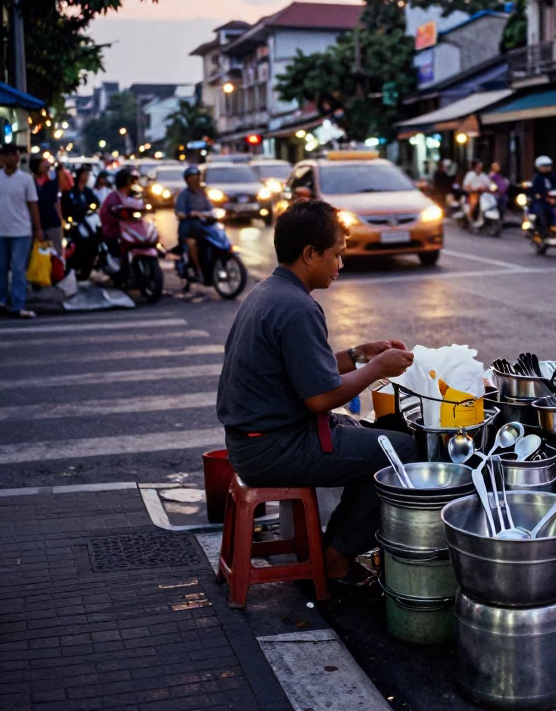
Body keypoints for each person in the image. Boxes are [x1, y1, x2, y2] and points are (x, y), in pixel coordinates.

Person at [217, 200, 416, 587]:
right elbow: (321, 398)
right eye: (337, 255)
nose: (340, 266)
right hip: (273, 448)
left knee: (380, 439)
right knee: (402, 453)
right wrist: (377, 369)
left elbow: (307, 371)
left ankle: (333, 547)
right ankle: (336, 557)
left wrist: (359, 355)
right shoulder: (297, 308)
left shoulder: (268, 291)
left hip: (252, 441)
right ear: (310, 253)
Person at [0, 142, 42, 318]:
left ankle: (18, 304)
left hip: (22, 231)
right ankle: (0, 302)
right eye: (7, 155)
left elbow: (33, 204)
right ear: (2, 158)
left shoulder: (26, 179)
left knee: (19, 268)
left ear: (17, 157)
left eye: (14, 155)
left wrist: (38, 228)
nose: (11, 158)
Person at [174, 167, 213, 283]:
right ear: (187, 181)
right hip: (188, 229)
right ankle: (197, 271)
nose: (197, 181)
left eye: (198, 178)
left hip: (203, 227)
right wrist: (189, 214)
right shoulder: (183, 195)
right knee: (192, 244)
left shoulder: (202, 193)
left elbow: (210, 208)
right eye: (194, 179)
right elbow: (179, 213)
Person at [99, 168, 138, 283]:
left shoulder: (134, 195)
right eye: (130, 180)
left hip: (133, 230)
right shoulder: (113, 197)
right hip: (116, 231)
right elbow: (105, 214)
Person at [63, 166, 101, 280]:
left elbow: (95, 203)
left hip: (87, 223)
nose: (86, 177)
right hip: (75, 224)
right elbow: (66, 207)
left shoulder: (88, 191)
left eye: (87, 175)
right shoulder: (71, 191)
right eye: (84, 174)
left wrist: (89, 208)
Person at [29, 156, 64, 256]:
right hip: (33, 225)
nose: (46, 166)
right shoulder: (29, 183)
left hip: (53, 223)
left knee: (56, 255)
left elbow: (57, 202)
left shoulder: (52, 182)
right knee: (34, 256)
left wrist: (60, 219)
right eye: (43, 164)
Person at [529, 155, 556, 233]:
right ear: (539, 167)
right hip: (541, 201)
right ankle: (544, 230)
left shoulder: (552, 176)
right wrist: (546, 198)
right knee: (544, 212)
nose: (547, 168)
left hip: (554, 199)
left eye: (548, 166)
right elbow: (536, 191)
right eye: (544, 166)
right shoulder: (536, 178)